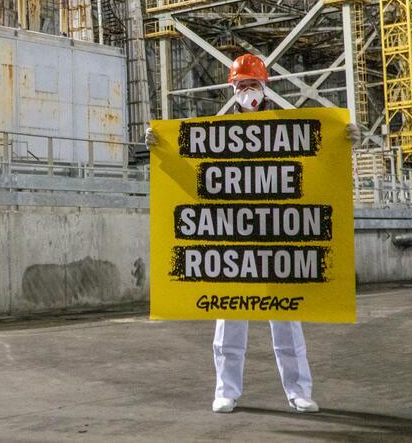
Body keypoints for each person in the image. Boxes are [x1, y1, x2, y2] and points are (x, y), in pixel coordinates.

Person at [146, 53, 359, 414]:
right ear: (232, 88)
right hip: (234, 240)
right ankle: (226, 390)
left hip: (276, 241)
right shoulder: (214, 135)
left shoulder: (291, 128)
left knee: (287, 322)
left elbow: (318, 165)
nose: (247, 91)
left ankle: (298, 391)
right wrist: (160, 147)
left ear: (265, 88)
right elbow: (193, 176)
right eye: (241, 85)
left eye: (253, 84)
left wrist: (346, 141)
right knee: (228, 323)